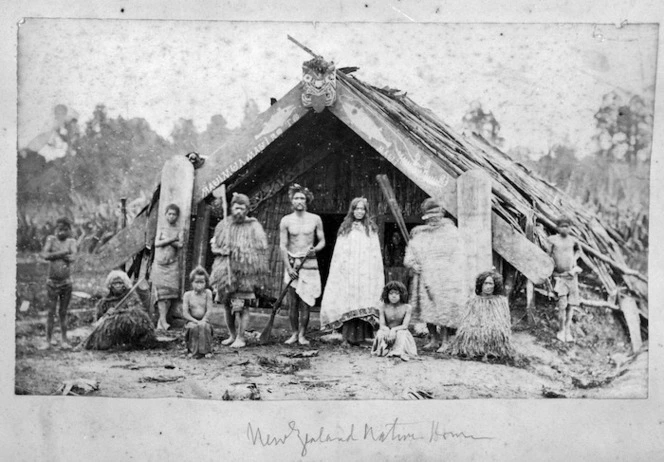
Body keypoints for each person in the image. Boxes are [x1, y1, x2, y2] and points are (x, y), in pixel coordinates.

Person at [404, 198, 467, 353]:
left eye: (436, 214)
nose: (433, 217)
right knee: (427, 309)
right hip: (424, 275)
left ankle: (445, 340)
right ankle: (433, 339)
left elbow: (459, 255)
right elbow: (410, 254)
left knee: (442, 309)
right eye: (429, 214)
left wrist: (453, 272)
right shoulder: (419, 233)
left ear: (441, 213)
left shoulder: (451, 232)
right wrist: (413, 264)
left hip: (445, 277)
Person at [320, 197, 384, 345]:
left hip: (364, 272)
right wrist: (342, 269)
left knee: (362, 300)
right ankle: (347, 337)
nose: (359, 211)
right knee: (348, 301)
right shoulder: (345, 228)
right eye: (357, 208)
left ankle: (362, 337)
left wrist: (371, 269)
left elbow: (374, 253)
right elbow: (339, 252)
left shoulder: (371, 229)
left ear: (366, 211)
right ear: (352, 210)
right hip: (348, 272)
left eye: (362, 209)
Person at [210, 193, 268, 348]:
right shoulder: (224, 225)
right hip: (226, 273)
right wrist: (222, 251)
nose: (239, 211)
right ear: (231, 208)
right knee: (227, 305)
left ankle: (241, 338)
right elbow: (214, 246)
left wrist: (242, 252)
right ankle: (232, 335)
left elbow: (261, 248)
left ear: (247, 209)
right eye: (237, 208)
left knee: (243, 306)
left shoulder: (254, 226)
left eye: (242, 208)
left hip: (245, 274)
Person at [279, 184, 325, 345]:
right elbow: (282, 246)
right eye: (296, 198)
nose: (299, 201)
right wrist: (288, 268)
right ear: (292, 200)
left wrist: (315, 250)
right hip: (292, 262)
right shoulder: (286, 220)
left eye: (302, 198)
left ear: (307, 201)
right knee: (293, 302)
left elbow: (322, 241)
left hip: (309, 261)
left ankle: (303, 335)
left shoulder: (315, 219)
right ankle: (293, 333)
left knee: (306, 301)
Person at [83, 270, 155, 350]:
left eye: (120, 283)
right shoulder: (104, 302)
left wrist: (117, 314)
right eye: (115, 283)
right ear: (110, 286)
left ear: (124, 285)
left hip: (128, 331)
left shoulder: (131, 297)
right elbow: (98, 321)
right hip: (112, 334)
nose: (118, 286)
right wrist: (106, 314)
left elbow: (139, 316)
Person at [451, 270, 513, 360]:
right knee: (470, 331)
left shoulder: (500, 301)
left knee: (496, 331)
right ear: (481, 284)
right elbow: (467, 319)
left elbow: (504, 321)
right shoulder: (473, 300)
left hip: (494, 326)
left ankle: (493, 351)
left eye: (491, 284)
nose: (488, 287)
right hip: (476, 324)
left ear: (495, 285)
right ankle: (474, 350)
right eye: (486, 283)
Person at [41, 217, 77, 349]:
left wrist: (55, 254)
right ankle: (47, 341)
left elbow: (72, 257)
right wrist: (63, 253)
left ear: (69, 230)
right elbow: (45, 255)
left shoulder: (71, 241)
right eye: (59, 229)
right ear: (55, 229)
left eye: (65, 229)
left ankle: (64, 340)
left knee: (63, 312)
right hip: (52, 282)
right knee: (51, 312)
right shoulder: (51, 239)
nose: (61, 232)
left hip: (66, 283)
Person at [546, 217, 582, 343]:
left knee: (571, 306)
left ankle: (568, 331)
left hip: (572, 277)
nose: (564, 229)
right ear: (557, 227)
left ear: (571, 228)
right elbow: (548, 256)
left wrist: (574, 259)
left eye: (567, 226)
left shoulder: (573, 241)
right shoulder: (552, 240)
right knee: (562, 305)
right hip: (559, 276)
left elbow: (578, 251)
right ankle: (561, 330)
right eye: (562, 226)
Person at [152, 203, 183, 331]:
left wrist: (169, 240)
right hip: (160, 265)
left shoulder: (179, 229)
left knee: (170, 294)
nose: (171, 216)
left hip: (172, 265)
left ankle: (162, 322)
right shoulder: (162, 228)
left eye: (174, 214)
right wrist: (171, 239)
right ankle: (163, 321)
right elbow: (157, 243)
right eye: (169, 214)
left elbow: (180, 244)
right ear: (165, 215)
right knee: (161, 295)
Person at [371, 281, 417, 361]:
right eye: (391, 293)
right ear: (386, 294)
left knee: (401, 333)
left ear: (401, 294)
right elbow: (382, 325)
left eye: (396, 293)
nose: (393, 296)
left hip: (401, 331)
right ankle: (383, 350)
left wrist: (394, 330)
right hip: (387, 331)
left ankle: (398, 352)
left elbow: (405, 326)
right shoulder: (383, 307)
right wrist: (388, 330)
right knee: (381, 332)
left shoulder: (407, 307)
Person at [182, 267, 214, 358]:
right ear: (192, 282)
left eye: (202, 282)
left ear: (205, 283)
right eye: (196, 282)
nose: (199, 285)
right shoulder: (187, 295)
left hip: (204, 320)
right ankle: (192, 350)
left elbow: (209, 310)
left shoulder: (208, 293)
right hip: (191, 321)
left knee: (205, 327)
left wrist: (203, 320)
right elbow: (185, 313)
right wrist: (195, 321)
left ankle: (206, 351)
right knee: (193, 327)